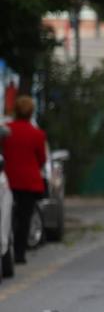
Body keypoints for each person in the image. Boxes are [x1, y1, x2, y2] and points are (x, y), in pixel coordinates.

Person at [1, 96, 48, 264]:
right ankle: (20, 253)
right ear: (31, 112)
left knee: (6, 215)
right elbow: (42, 159)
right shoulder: (37, 134)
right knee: (24, 217)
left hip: (9, 180)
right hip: (29, 182)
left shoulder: (6, 131)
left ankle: (8, 249)